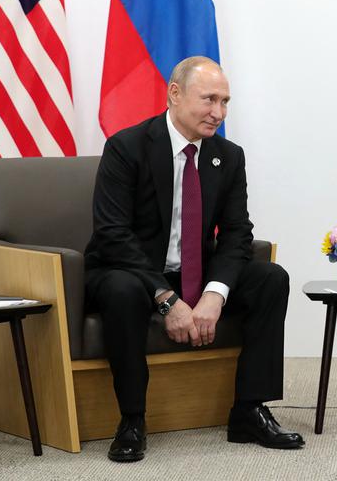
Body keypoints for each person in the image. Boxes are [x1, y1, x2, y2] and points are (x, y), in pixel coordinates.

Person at [84, 56, 304, 462]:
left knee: (270, 277)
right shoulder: (126, 147)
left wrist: (214, 295)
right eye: (208, 100)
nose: (218, 113)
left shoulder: (228, 155)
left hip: (195, 274)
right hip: (127, 271)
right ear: (174, 93)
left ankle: (248, 410)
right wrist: (167, 299)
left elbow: (238, 233)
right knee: (122, 288)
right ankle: (132, 418)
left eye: (225, 102)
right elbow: (113, 235)